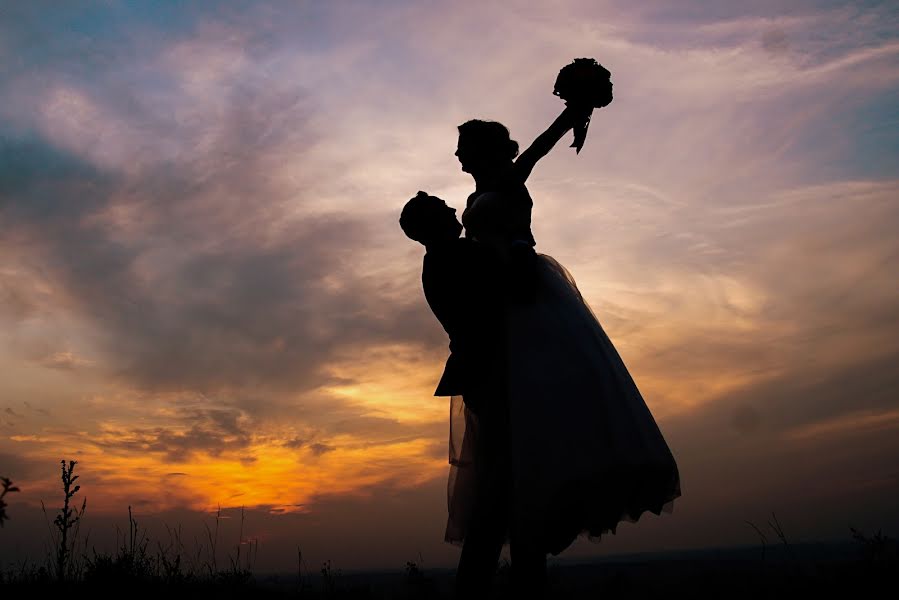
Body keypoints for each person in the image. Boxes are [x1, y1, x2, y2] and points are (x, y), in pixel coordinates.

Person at [454, 77, 681, 587]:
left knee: (533, 421)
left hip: (526, 298)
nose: (457, 155)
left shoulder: (510, 177)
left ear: (484, 150)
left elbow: (538, 148)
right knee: (508, 436)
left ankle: (525, 547)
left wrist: (573, 112)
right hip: (496, 304)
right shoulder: (476, 191)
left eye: (464, 147)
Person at [399, 192, 513, 598]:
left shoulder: (453, 255)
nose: (452, 209)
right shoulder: (451, 260)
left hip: (486, 371)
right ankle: (474, 590)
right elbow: (500, 295)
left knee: (501, 483)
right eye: (442, 208)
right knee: (498, 483)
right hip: (488, 373)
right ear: (431, 225)